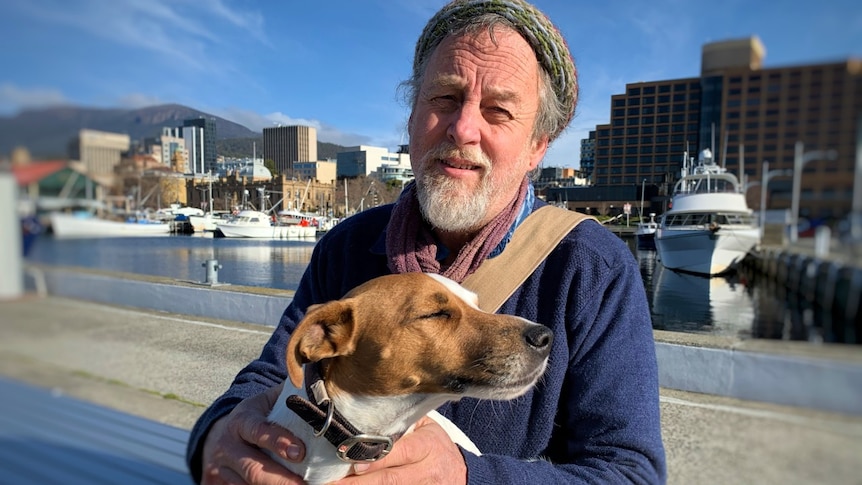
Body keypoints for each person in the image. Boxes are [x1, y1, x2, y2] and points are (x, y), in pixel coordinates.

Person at [186, 0, 667, 483]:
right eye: (444, 98)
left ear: (537, 147)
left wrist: (466, 477)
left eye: (498, 111)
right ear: (413, 116)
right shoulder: (348, 244)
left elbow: (631, 473)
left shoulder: (592, 268)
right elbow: (276, 376)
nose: (463, 129)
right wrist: (220, 430)